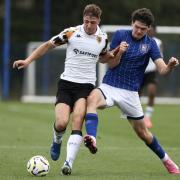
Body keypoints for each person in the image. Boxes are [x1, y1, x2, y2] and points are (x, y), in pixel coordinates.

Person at [13, 4, 122, 175]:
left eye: (92, 22)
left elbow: (102, 58)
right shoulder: (71, 33)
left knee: (77, 120)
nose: (88, 25)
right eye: (86, 21)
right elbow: (48, 45)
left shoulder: (103, 38)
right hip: (66, 84)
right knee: (62, 122)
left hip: (86, 87)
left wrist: (114, 54)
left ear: (98, 21)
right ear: (83, 19)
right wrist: (27, 61)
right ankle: (56, 140)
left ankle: (68, 163)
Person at [83, 8, 180, 174]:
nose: (138, 31)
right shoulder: (120, 35)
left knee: (144, 133)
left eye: (143, 28)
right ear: (131, 24)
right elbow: (111, 64)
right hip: (110, 86)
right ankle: (91, 137)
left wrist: (170, 66)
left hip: (130, 93)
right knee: (91, 100)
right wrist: (119, 52)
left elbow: (162, 71)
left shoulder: (151, 44)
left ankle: (168, 162)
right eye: (136, 27)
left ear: (148, 28)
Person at [139, 24, 163, 128]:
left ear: (154, 31)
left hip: (151, 71)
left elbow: (160, 57)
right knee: (136, 95)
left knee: (152, 92)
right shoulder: (139, 40)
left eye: (152, 30)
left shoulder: (158, 42)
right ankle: (135, 115)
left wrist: (160, 68)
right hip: (139, 71)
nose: (150, 32)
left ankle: (147, 117)